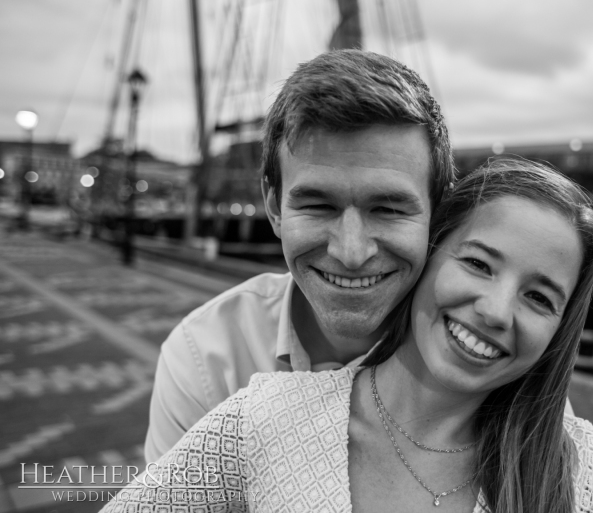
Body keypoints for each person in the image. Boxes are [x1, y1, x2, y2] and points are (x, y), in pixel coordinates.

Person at [104, 158, 593, 513]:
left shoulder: (569, 470)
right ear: (427, 252)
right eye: (477, 263)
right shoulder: (262, 419)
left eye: (539, 298)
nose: (495, 311)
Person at [144, 49, 456, 462]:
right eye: (318, 206)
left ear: (439, 213)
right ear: (273, 208)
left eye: (389, 209)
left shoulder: (489, 356)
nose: (350, 253)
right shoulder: (204, 356)